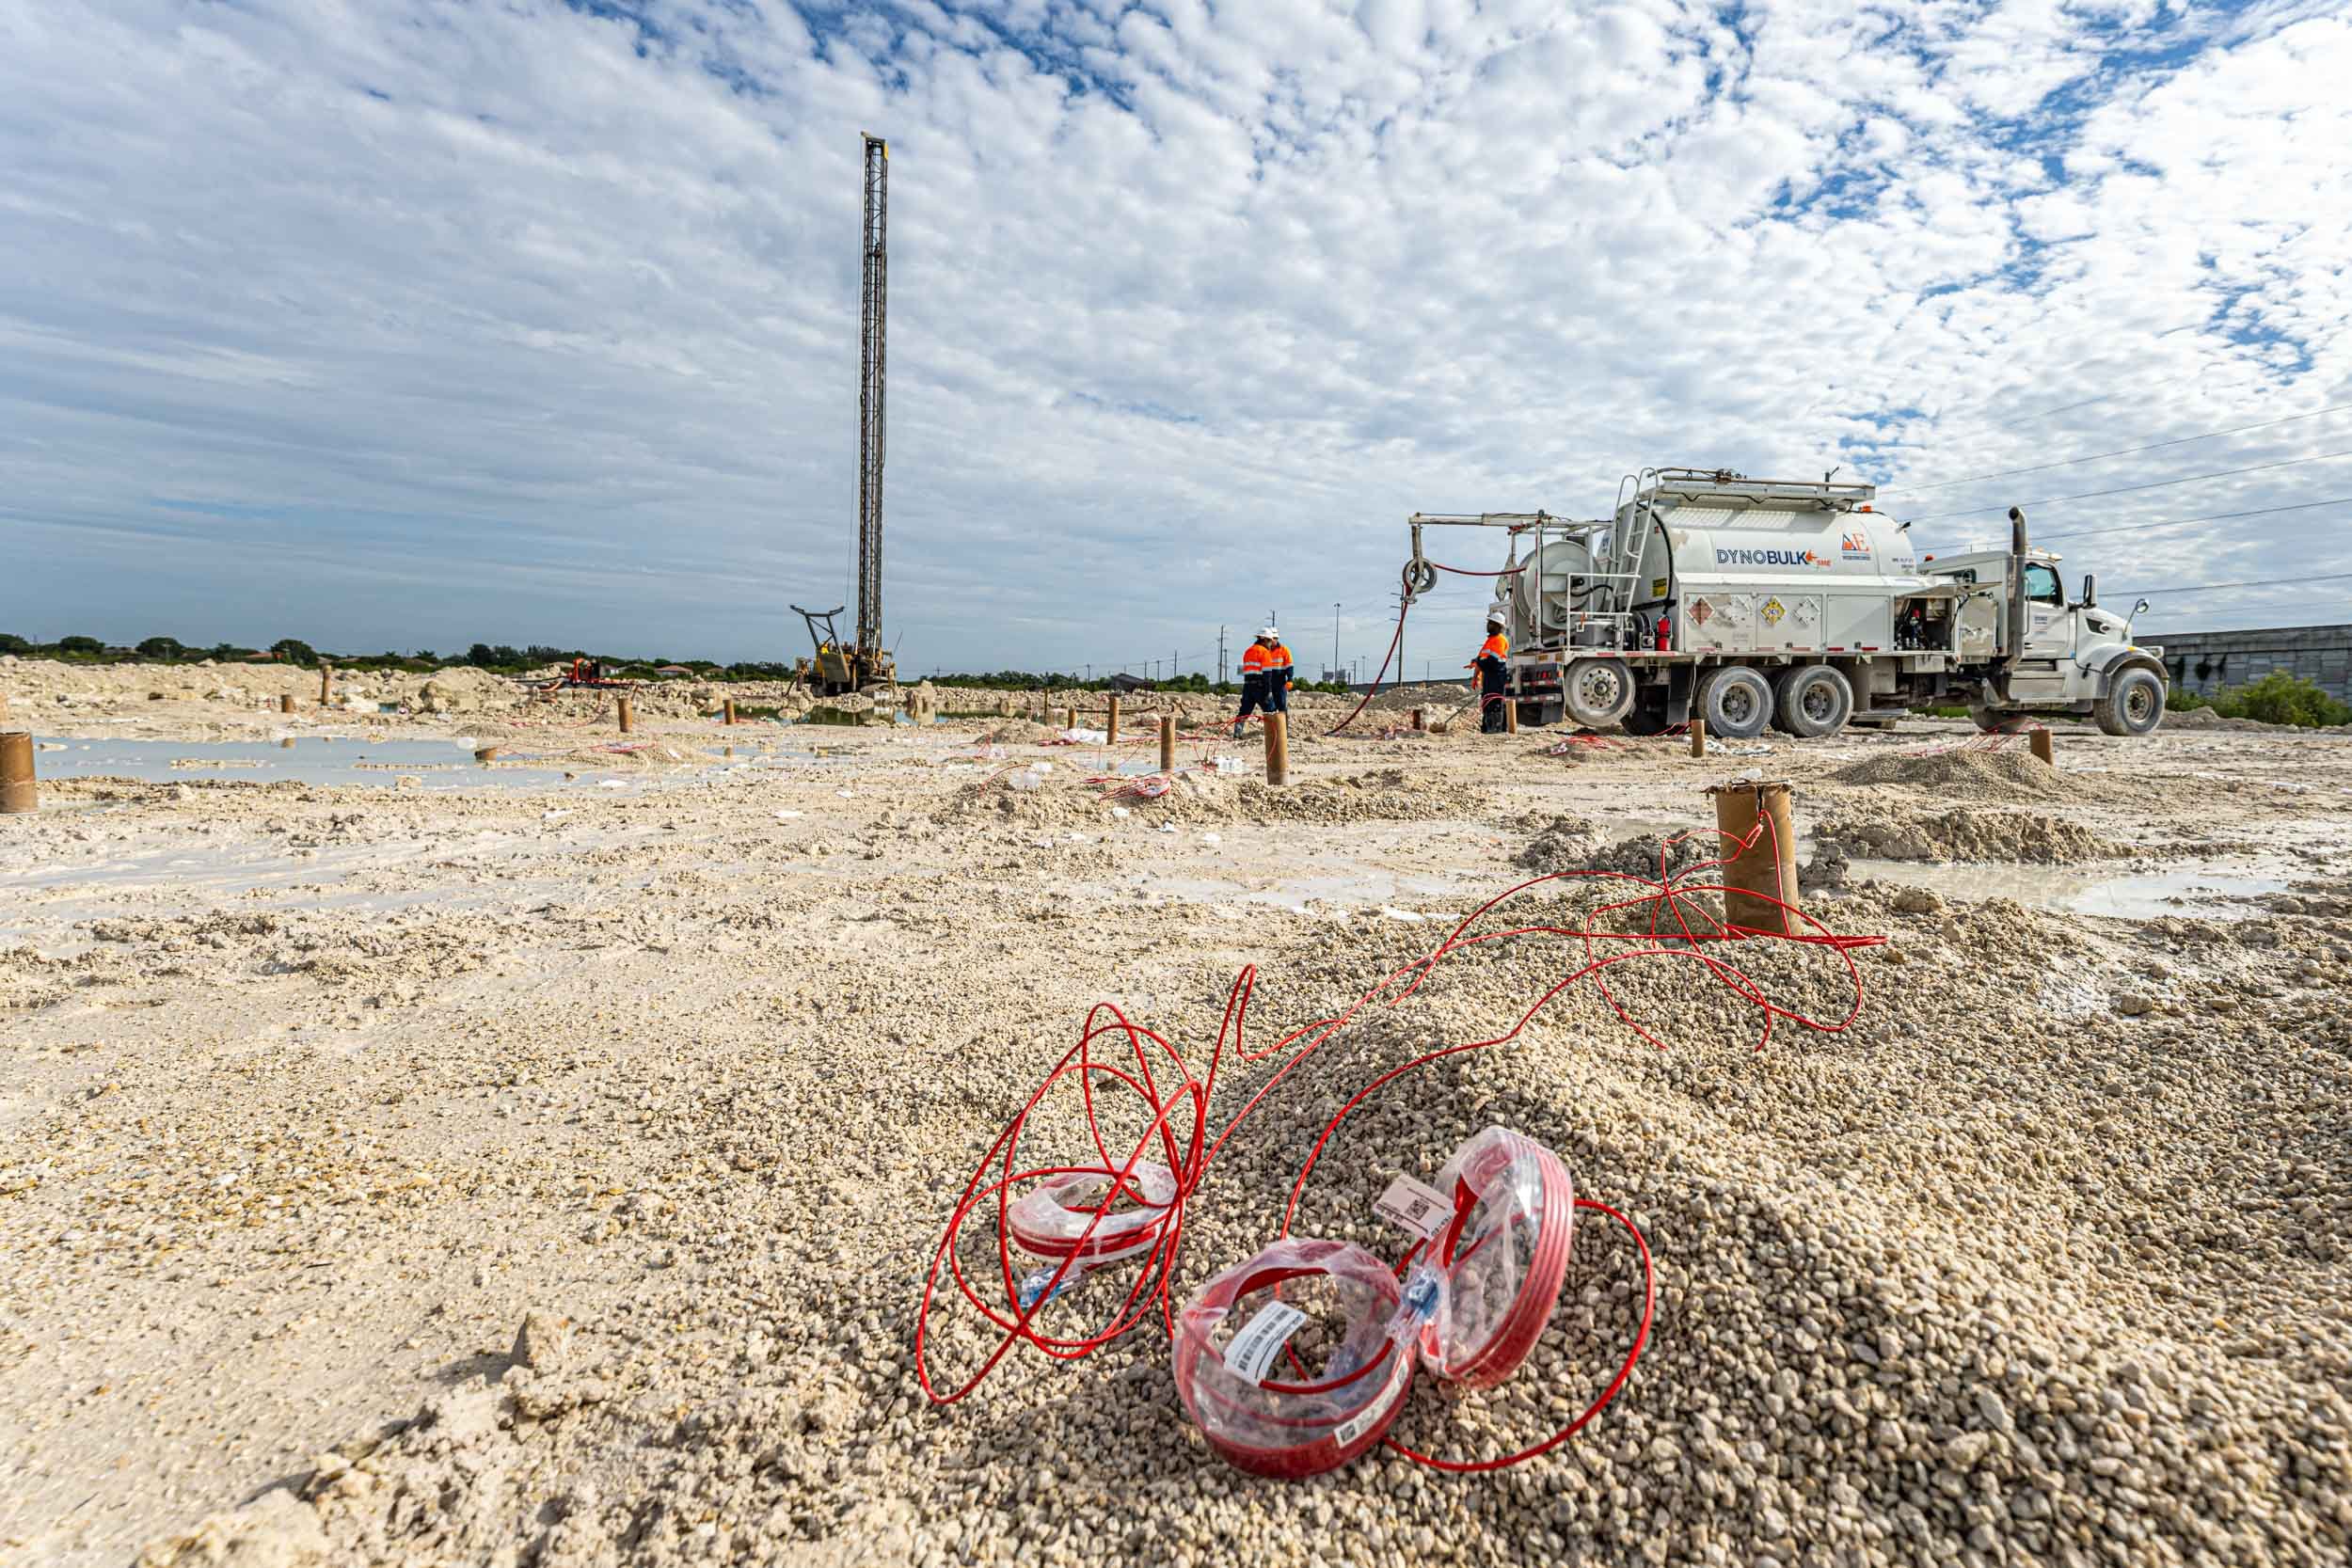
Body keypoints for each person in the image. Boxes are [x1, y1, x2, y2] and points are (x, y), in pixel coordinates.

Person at [1232, 626, 1286, 739]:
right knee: (1271, 712)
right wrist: (1268, 692)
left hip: (1248, 686)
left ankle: (1237, 733)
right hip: (1260, 687)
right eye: (1270, 641)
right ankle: (1276, 736)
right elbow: (1267, 676)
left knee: (1244, 711)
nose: (1271, 644)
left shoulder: (1248, 651)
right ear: (1265, 640)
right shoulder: (1265, 653)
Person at [1469, 614, 1510, 733]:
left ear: (1499, 626)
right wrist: (1475, 678)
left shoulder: (1500, 640)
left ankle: (1496, 728)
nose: (1488, 625)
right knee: (1488, 702)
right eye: (1488, 623)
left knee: (1495, 702)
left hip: (1496, 678)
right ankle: (1488, 727)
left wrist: (1479, 661)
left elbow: (1492, 661)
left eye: (1491, 623)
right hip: (1489, 678)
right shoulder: (1489, 641)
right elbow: (1480, 660)